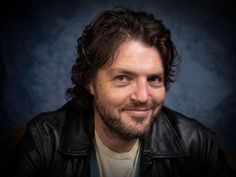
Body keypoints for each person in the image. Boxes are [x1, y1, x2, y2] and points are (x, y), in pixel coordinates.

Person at [8, 8, 235, 177]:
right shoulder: (46, 140)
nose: (143, 96)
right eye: (123, 78)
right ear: (90, 83)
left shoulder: (196, 143)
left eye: (154, 79)